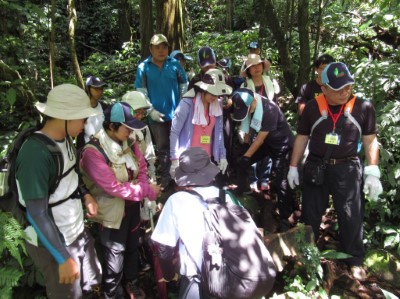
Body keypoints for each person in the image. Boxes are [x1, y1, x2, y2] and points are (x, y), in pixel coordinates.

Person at [287, 62, 383, 281]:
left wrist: (372, 171)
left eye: (348, 86)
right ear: (324, 88)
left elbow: (370, 140)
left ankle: (355, 259)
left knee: (351, 215)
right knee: (311, 213)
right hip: (316, 165)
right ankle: (308, 255)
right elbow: (302, 137)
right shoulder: (312, 107)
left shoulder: (363, 107)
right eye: (338, 88)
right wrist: (293, 166)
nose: (345, 92)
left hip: (347, 168)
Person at [16, 84, 102, 298]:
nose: (86, 123)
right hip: (54, 242)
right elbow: (36, 213)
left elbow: (70, 174)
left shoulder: (66, 139)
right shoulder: (35, 154)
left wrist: (86, 194)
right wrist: (62, 258)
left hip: (76, 230)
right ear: (66, 117)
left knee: (90, 283)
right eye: (82, 118)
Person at [80, 102, 161, 299]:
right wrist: (147, 190)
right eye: (126, 127)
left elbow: (141, 168)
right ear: (111, 127)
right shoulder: (93, 152)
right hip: (111, 212)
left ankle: (131, 283)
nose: (131, 131)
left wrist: (142, 188)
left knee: (134, 245)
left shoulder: (130, 142)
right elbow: (113, 187)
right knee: (115, 255)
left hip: (132, 208)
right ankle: (112, 293)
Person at [151, 147, 225, 299]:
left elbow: (164, 248)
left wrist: (169, 275)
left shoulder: (177, 201)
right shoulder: (226, 196)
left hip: (196, 281)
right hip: (231, 276)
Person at [232, 88, 296, 229]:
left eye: (247, 108)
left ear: (254, 101)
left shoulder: (269, 109)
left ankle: (287, 218)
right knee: (240, 156)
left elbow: (260, 139)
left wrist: (247, 157)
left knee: (282, 182)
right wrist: (246, 142)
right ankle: (244, 190)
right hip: (267, 143)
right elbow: (251, 125)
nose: (246, 111)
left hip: (282, 146)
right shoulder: (251, 105)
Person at [135, 33, 188, 191]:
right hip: (155, 117)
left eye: (164, 46)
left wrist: (182, 105)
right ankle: (166, 178)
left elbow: (184, 84)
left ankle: (180, 176)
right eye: (157, 47)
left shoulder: (174, 64)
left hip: (176, 114)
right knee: (163, 147)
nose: (161, 50)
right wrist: (150, 111)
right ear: (151, 49)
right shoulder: (143, 67)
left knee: (179, 145)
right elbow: (141, 91)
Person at [169, 68, 232, 179]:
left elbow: (219, 133)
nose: (215, 97)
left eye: (217, 94)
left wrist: (222, 155)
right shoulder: (186, 104)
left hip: (206, 158)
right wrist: (174, 159)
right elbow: (174, 132)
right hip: (186, 158)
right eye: (212, 92)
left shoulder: (217, 106)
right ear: (203, 89)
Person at [240, 54, 279, 192]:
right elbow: (243, 109)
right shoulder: (245, 85)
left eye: (259, 65)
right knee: (253, 149)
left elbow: (276, 103)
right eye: (252, 66)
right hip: (252, 124)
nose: (256, 68)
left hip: (269, 122)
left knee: (268, 151)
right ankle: (253, 180)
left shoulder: (271, 82)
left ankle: (265, 179)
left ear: (263, 66)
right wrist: (245, 131)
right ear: (248, 70)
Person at [122, 90, 157, 183]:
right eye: (137, 112)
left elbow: (149, 156)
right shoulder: (116, 131)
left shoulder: (143, 129)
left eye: (142, 113)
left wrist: (152, 179)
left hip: (143, 176)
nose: (140, 116)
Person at [76, 75, 107, 149]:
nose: (99, 92)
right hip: (86, 150)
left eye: (101, 89)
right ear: (88, 88)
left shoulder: (105, 108)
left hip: (104, 148)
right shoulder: (80, 109)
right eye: (96, 88)